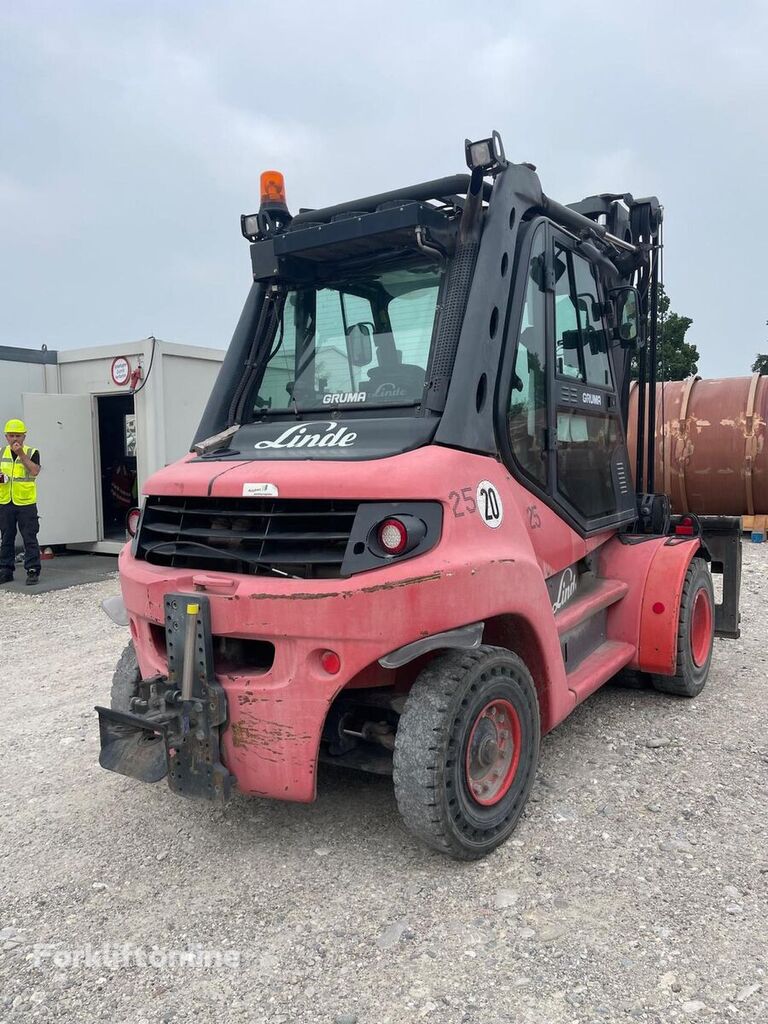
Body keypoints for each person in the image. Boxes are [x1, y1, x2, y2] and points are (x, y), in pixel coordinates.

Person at [0, 418, 42, 585]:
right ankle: (5, 570)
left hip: (26, 503)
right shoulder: (1, 452)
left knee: (29, 537)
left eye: (18, 435)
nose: (14, 439)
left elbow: (34, 471)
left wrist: (21, 454)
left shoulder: (32, 452)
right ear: (6, 437)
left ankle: (32, 570)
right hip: (5, 502)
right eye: (11, 435)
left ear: (24, 437)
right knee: (6, 537)